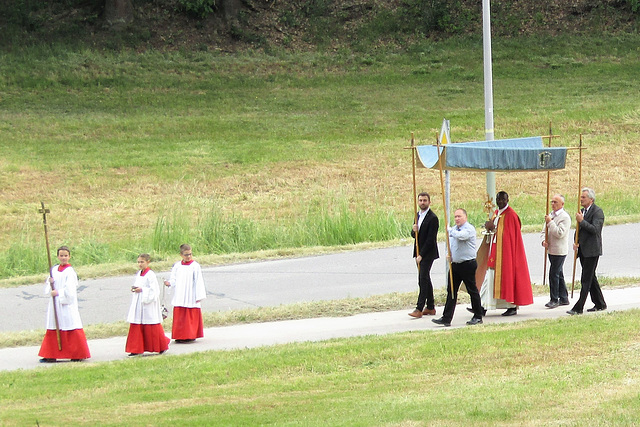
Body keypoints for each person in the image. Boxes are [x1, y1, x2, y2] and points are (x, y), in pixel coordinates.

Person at [476, 191, 533, 316]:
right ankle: (482, 306)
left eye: (503, 199)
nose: (500, 202)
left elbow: (509, 236)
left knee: (506, 278)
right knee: (490, 278)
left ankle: (511, 306)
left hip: (506, 254)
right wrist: (489, 228)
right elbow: (494, 232)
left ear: (508, 200)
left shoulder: (511, 215)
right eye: (498, 199)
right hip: (494, 250)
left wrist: (494, 229)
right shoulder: (496, 213)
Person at [38, 246, 91, 363]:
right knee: (53, 325)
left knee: (69, 325)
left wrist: (59, 292)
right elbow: (49, 284)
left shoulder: (70, 272)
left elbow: (70, 290)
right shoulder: (54, 270)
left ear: (69, 257)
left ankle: (76, 354)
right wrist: (50, 284)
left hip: (65, 304)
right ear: (57, 256)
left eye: (65, 256)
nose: (63, 258)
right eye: (61, 255)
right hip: (55, 304)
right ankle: (51, 354)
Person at [432, 209, 483, 327]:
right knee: (451, 291)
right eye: (455, 217)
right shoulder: (454, 229)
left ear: (465, 217)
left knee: (472, 290)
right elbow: (451, 244)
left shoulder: (468, 229)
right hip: (455, 265)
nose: (457, 219)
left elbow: (462, 236)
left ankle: (478, 316)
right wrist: (449, 255)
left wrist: (449, 230)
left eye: (459, 216)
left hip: (467, 264)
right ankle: (446, 318)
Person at [567, 187, 606, 315]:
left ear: (591, 199)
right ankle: (600, 303)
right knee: (591, 278)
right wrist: (576, 241)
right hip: (583, 250)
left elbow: (595, 229)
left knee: (586, 279)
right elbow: (579, 230)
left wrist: (582, 221)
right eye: (581, 197)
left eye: (583, 197)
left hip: (592, 251)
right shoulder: (582, 211)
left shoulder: (597, 212)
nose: (581, 199)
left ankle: (578, 307)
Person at [125, 254, 170, 356]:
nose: (140, 264)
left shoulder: (150, 275)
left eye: (142, 262)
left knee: (151, 325)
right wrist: (135, 288)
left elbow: (155, 290)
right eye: (138, 262)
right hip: (139, 303)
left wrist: (143, 290)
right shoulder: (139, 274)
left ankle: (160, 346)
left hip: (148, 304)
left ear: (148, 262)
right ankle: (136, 348)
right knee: (137, 324)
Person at [164, 244, 207, 342]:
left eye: (190, 254)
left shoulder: (195, 266)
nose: (188, 257)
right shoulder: (177, 266)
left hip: (191, 293)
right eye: (186, 255)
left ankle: (190, 335)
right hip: (180, 293)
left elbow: (199, 281)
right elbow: (173, 279)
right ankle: (179, 336)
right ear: (181, 255)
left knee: (190, 315)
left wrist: (199, 295)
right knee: (180, 315)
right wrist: (169, 283)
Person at [408, 192, 439, 318]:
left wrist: (421, 254)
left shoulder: (433, 218)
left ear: (429, 202)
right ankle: (431, 307)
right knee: (425, 278)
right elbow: (414, 235)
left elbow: (431, 239)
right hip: (418, 252)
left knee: (422, 279)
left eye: (425, 200)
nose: (422, 202)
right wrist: (413, 230)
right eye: (420, 200)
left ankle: (419, 308)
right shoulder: (417, 215)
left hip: (428, 253)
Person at [540, 194, 571, 308]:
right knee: (559, 273)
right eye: (552, 202)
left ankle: (554, 298)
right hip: (551, 250)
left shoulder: (565, 217)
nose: (553, 204)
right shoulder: (550, 215)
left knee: (554, 274)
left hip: (559, 251)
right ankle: (564, 297)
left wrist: (550, 222)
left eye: (555, 202)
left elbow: (559, 233)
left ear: (562, 204)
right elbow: (544, 231)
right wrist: (543, 241)